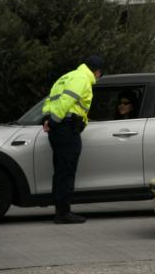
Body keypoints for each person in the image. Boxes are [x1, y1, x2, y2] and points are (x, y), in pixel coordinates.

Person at [41, 55, 104, 224]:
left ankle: (60, 211)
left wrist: (47, 118)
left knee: (61, 172)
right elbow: (66, 100)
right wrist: (54, 121)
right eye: (100, 73)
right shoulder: (81, 79)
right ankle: (63, 213)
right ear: (97, 71)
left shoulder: (66, 77)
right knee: (66, 172)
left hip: (60, 130)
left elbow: (49, 101)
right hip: (66, 129)